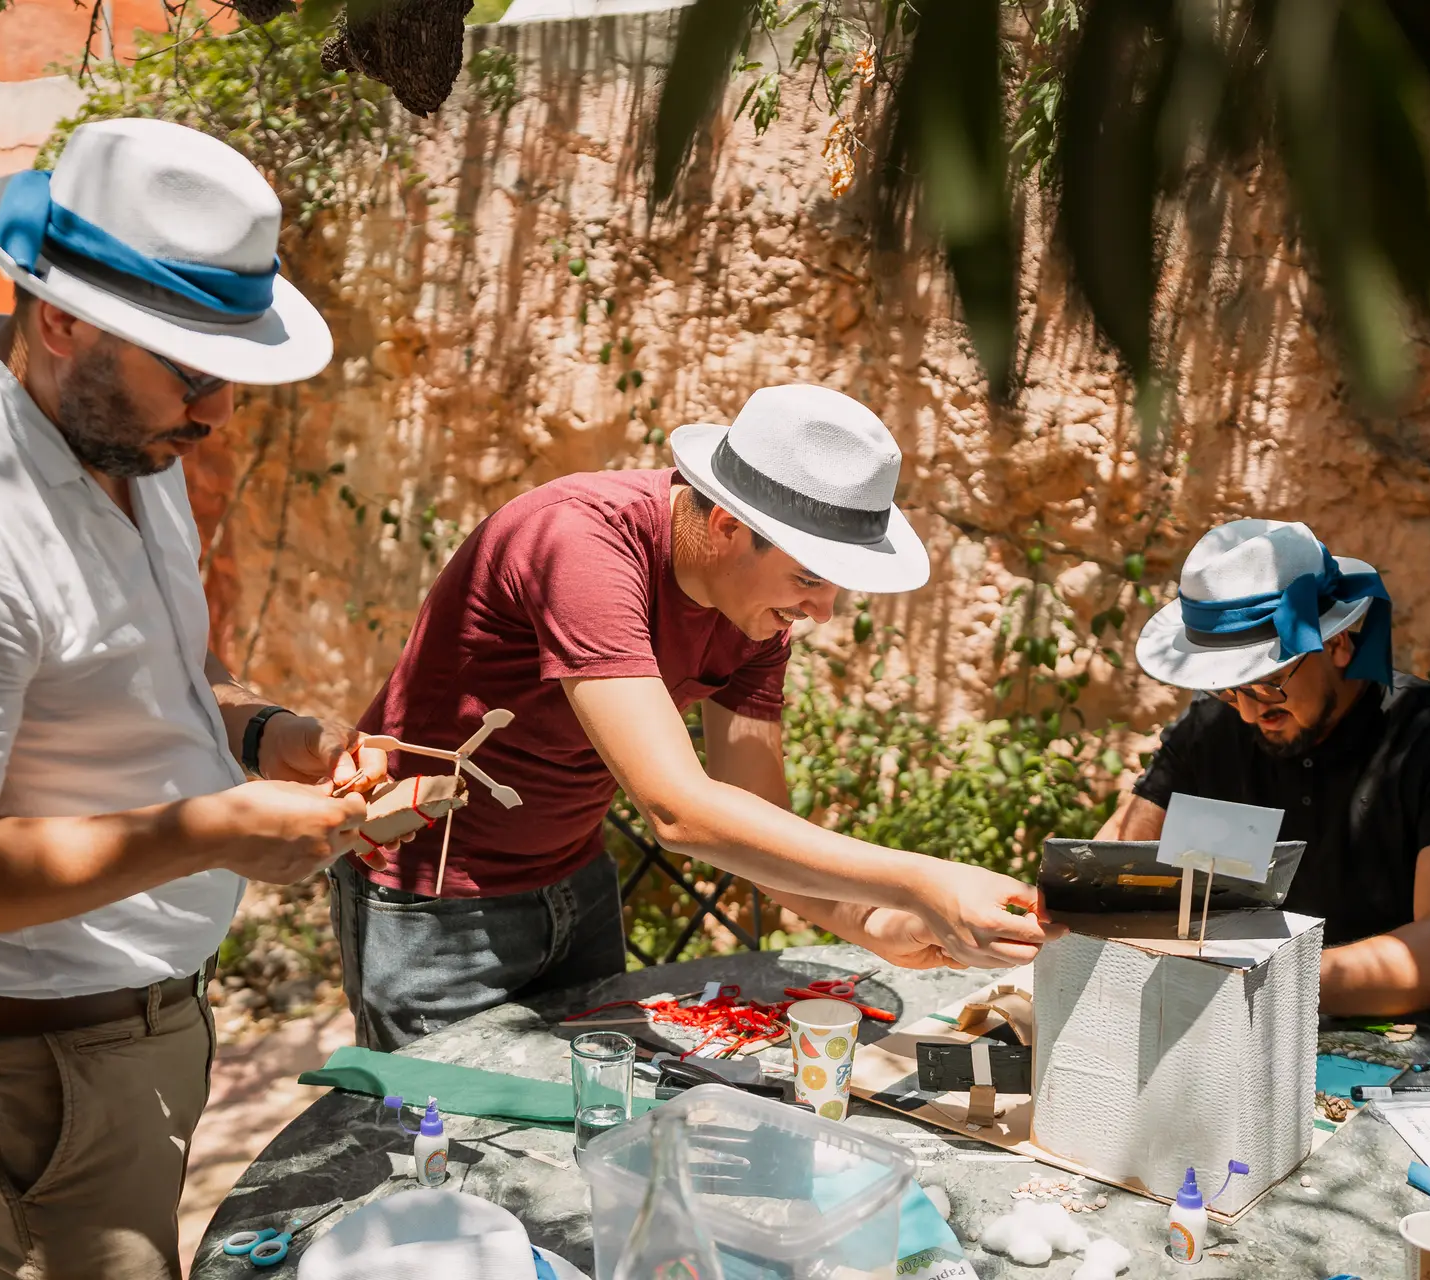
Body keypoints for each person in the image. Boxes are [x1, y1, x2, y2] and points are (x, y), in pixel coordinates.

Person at [0, 119, 374, 1280]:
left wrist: (269, 735)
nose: (217, 416)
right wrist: (207, 830)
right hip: (29, 1080)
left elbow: (147, 678)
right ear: (61, 319)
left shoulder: (120, 442)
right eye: (196, 375)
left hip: (120, 1037)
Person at [330, 384, 1057, 1048]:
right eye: (808, 578)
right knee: (437, 1148)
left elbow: (750, 808)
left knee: (583, 1132)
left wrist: (871, 923)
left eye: (837, 588)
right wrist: (920, 880)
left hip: (575, 882)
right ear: (724, 526)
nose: (822, 612)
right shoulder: (581, 542)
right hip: (434, 904)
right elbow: (678, 809)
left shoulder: (757, 614)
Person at [1097, 518, 1430, 1017]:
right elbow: (1109, 872)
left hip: (1410, 1050)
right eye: (1230, 689)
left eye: (1269, 684)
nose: (1251, 712)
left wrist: (1256, 980)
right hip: (1234, 1022)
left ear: (1339, 643)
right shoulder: (1216, 727)